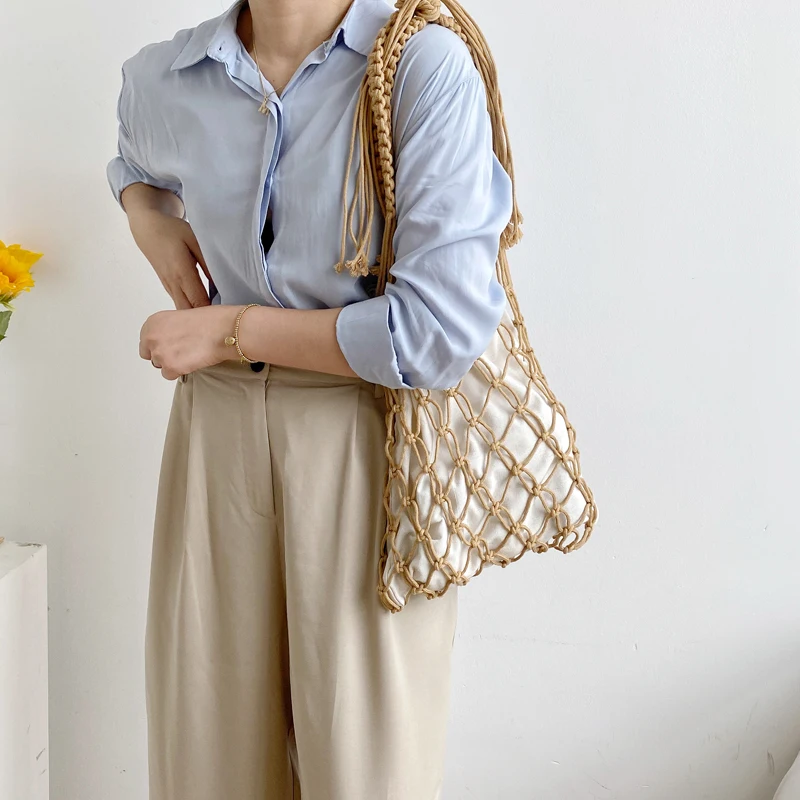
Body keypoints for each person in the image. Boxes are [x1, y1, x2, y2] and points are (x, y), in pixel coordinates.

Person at [106, 0, 513, 797]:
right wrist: (146, 214)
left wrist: (231, 331)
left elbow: (436, 334)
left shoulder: (419, 65)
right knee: (205, 764)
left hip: (365, 437)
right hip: (214, 440)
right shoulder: (169, 76)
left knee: (365, 772)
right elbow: (132, 159)